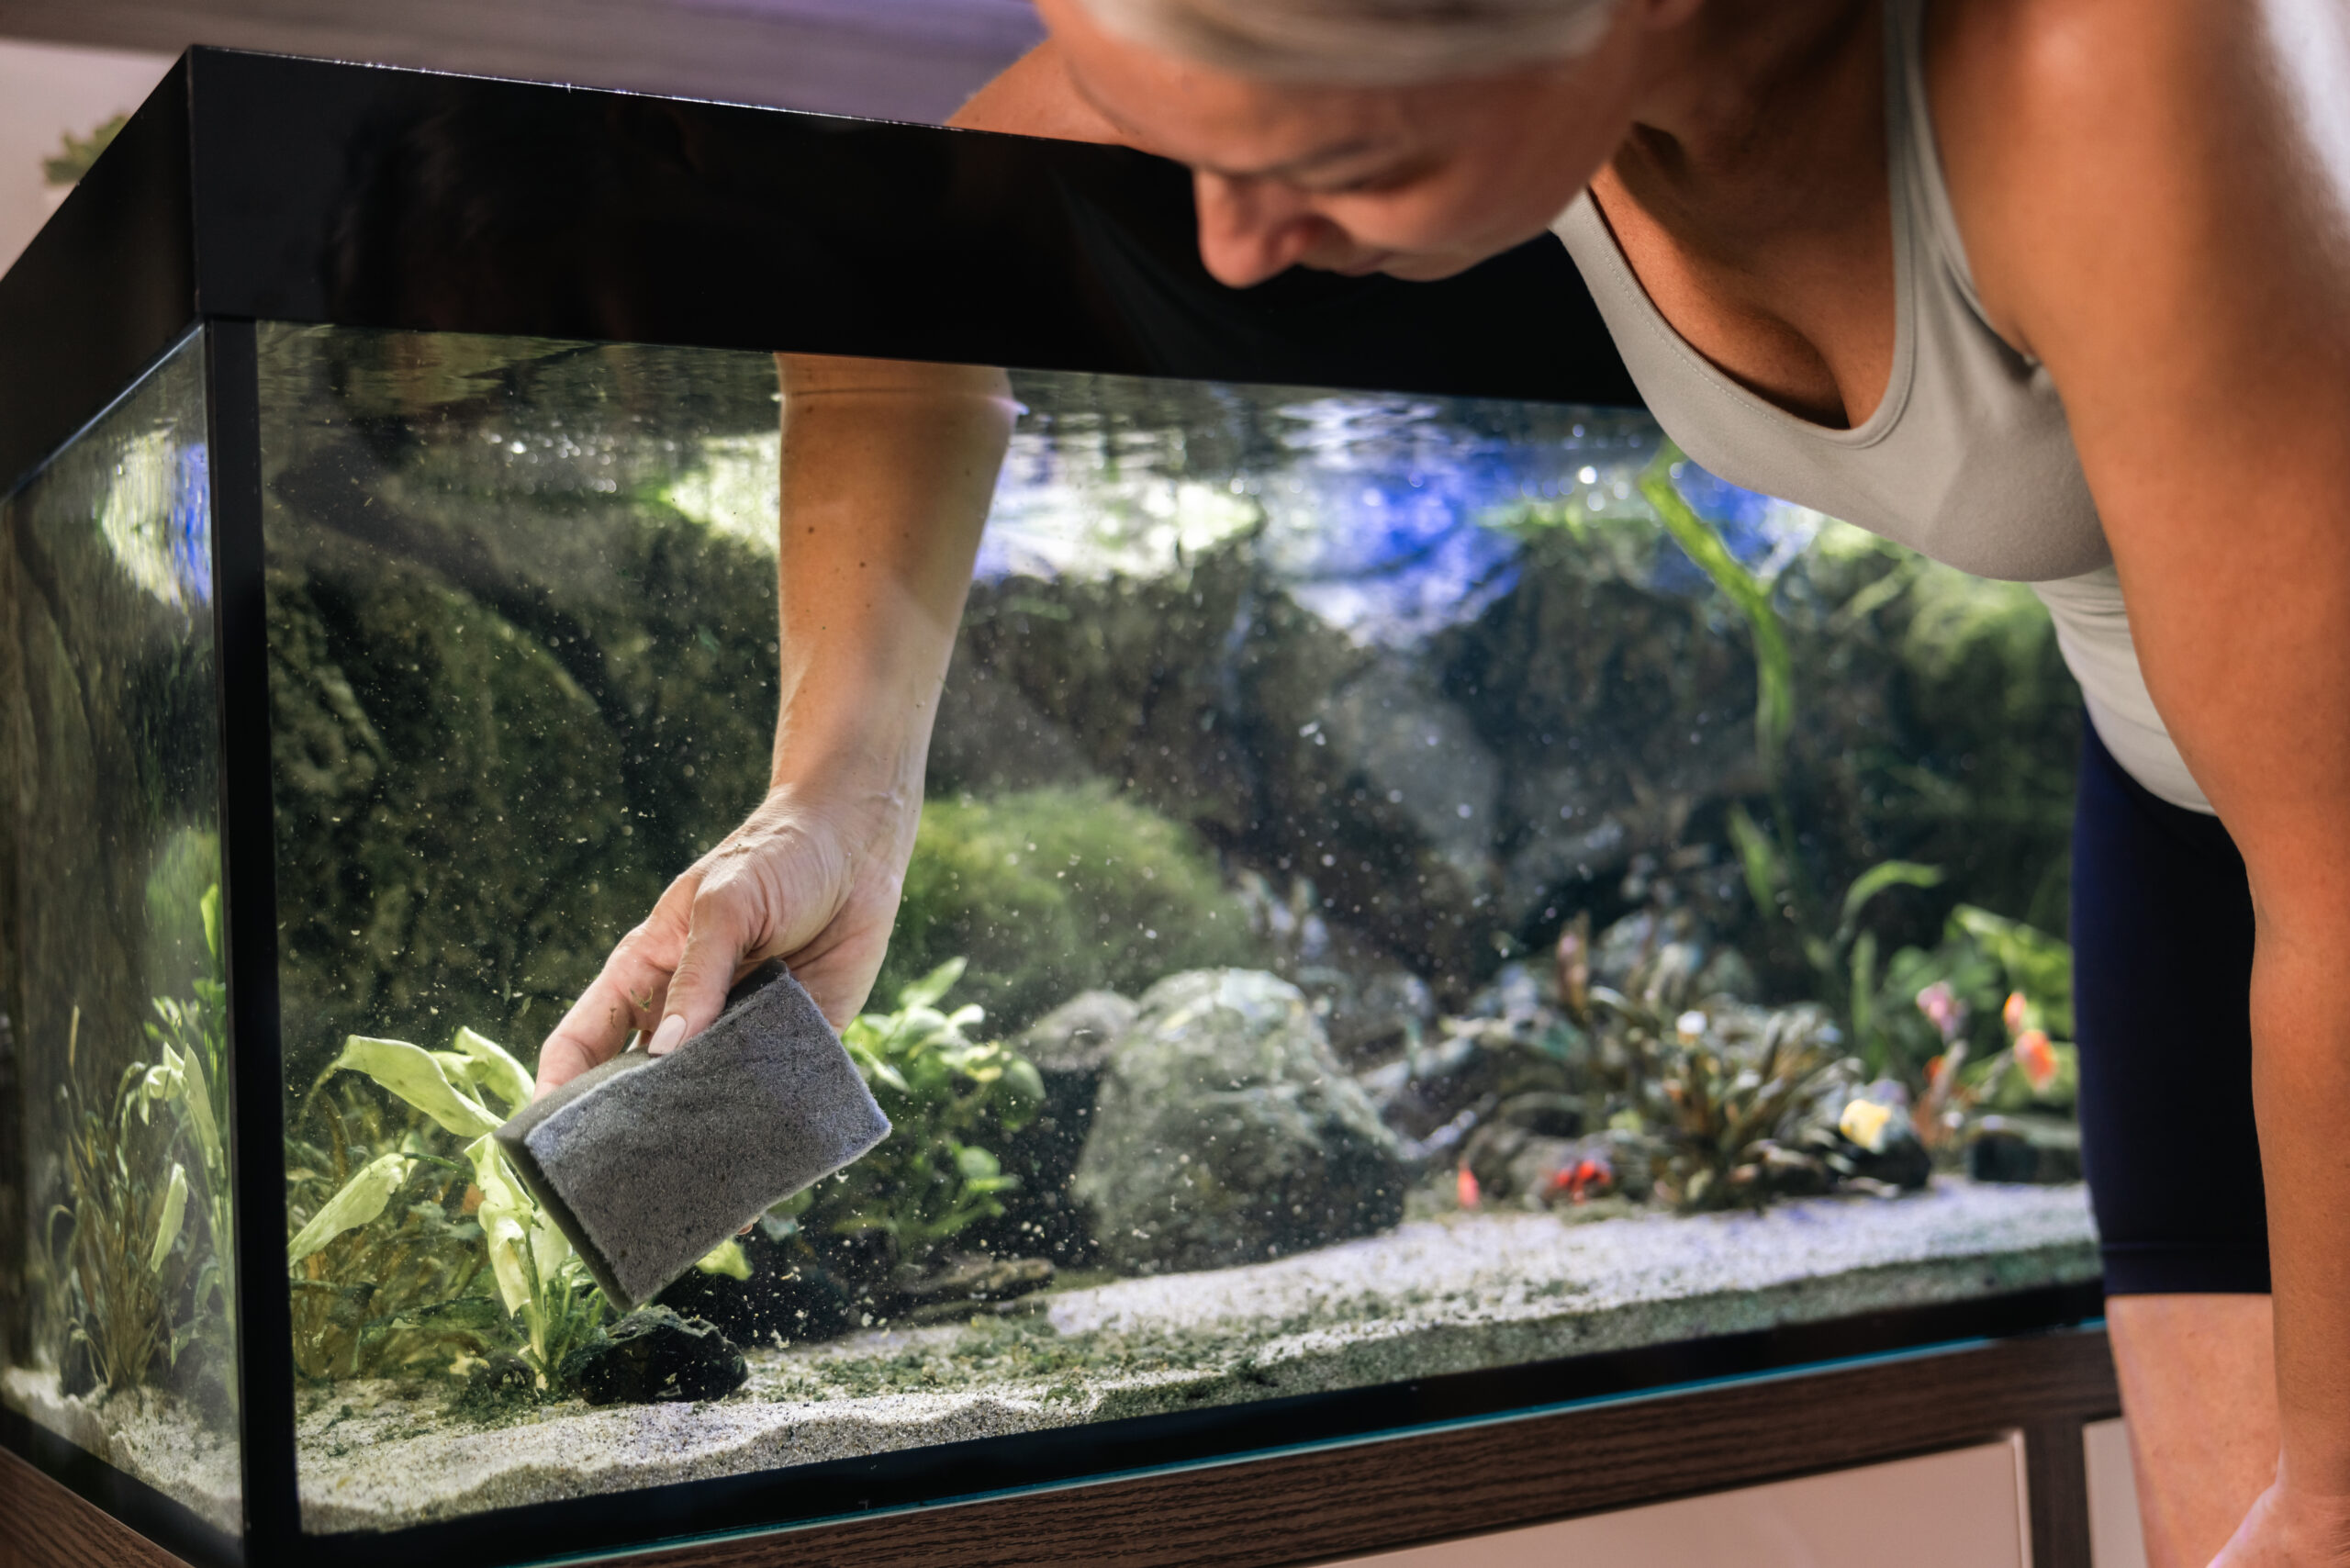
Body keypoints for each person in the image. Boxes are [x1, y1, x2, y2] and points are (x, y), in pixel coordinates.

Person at [533, 1, 2350, 1560]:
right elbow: (901, 248)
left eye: (1329, 154)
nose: (1224, 241)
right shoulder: (1491, 55)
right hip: (2185, 821)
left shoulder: (2090, 66)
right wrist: (834, 802)